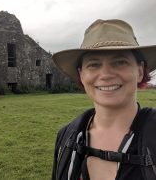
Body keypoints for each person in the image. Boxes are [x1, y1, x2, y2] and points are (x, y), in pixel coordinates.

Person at [51, 19, 156, 180]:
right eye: (94, 64)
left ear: (140, 71)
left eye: (120, 62)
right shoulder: (66, 137)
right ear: (81, 74)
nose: (106, 74)